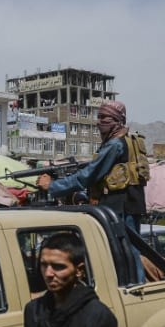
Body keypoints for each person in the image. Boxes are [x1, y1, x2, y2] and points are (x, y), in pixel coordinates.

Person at [37, 100, 146, 281]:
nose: (99, 122)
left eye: (105, 118)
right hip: (129, 204)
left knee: (125, 252)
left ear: (117, 120)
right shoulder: (127, 141)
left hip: (120, 207)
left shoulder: (115, 145)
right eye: (99, 117)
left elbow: (87, 176)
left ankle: (133, 289)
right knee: (128, 252)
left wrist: (53, 186)